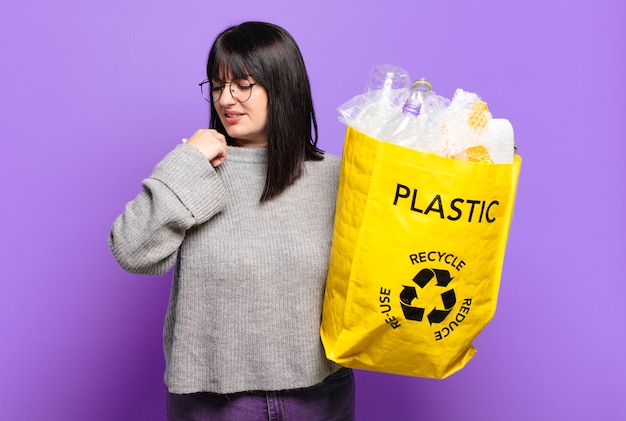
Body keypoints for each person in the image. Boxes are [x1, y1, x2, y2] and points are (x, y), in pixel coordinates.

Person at [108, 21, 355, 420]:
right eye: (218, 86)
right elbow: (133, 252)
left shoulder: (336, 176)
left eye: (242, 83)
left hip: (319, 396)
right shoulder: (194, 167)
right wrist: (188, 161)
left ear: (282, 85)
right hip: (213, 403)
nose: (227, 99)